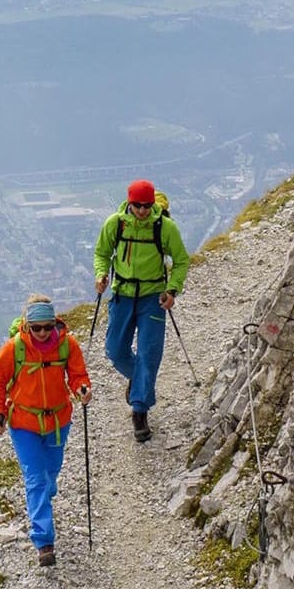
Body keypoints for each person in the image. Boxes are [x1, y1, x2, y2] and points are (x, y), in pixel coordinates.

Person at [0, 295, 92, 567]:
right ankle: (44, 541)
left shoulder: (67, 345)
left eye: (48, 327)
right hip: (24, 423)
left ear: (55, 323)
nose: (44, 333)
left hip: (58, 421)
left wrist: (81, 388)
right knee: (35, 479)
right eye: (37, 328)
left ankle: (45, 495)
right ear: (27, 325)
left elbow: (77, 375)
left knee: (50, 472)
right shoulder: (14, 349)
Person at [94, 179, 188, 442]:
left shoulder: (164, 227)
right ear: (129, 202)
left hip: (152, 297)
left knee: (148, 354)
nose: (143, 211)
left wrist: (172, 291)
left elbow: (181, 261)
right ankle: (139, 384)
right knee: (115, 350)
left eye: (147, 206)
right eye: (138, 206)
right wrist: (102, 275)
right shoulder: (116, 223)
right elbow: (102, 253)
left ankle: (140, 411)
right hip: (122, 294)